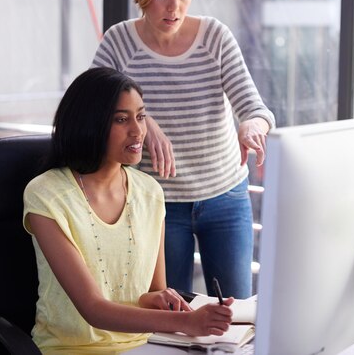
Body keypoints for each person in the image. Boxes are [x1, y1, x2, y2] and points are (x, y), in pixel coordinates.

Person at [91, 0, 276, 299]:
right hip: (158, 204)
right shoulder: (119, 41)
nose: (174, 7)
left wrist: (252, 125)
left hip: (226, 198)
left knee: (235, 311)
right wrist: (144, 122)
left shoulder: (215, 37)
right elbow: (92, 102)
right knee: (169, 314)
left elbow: (255, 107)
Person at [23, 67, 233, 354]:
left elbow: (153, 290)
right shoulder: (47, 194)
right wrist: (188, 322)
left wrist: (162, 299)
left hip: (146, 345)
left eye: (141, 116)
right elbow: (93, 310)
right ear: (90, 124)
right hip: (73, 348)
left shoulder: (150, 192)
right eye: (122, 120)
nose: (138, 131)